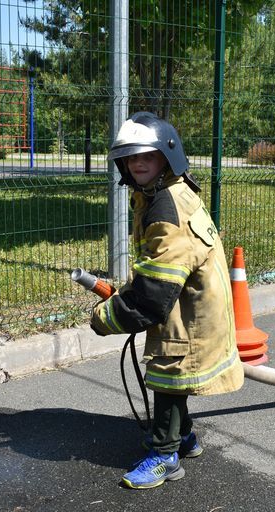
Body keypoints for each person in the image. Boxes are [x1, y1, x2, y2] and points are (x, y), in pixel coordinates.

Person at [90, 112, 244, 489]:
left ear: (167, 156)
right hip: (193, 301)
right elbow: (158, 269)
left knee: (169, 373)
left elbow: (153, 295)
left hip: (188, 311)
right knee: (176, 376)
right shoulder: (166, 192)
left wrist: (106, 317)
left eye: (148, 155)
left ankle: (165, 456)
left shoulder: (165, 208)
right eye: (130, 157)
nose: (137, 163)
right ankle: (185, 437)